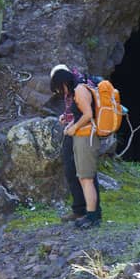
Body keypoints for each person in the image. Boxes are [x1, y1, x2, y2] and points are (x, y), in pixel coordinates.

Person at [50, 65, 102, 228]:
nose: (60, 91)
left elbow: (88, 115)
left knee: (87, 177)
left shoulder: (79, 90)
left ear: (63, 82)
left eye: (59, 87)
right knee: (82, 176)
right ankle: (86, 213)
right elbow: (80, 114)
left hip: (86, 137)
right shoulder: (76, 90)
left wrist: (74, 127)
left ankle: (93, 217)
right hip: (82, 136)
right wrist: (70, 125)